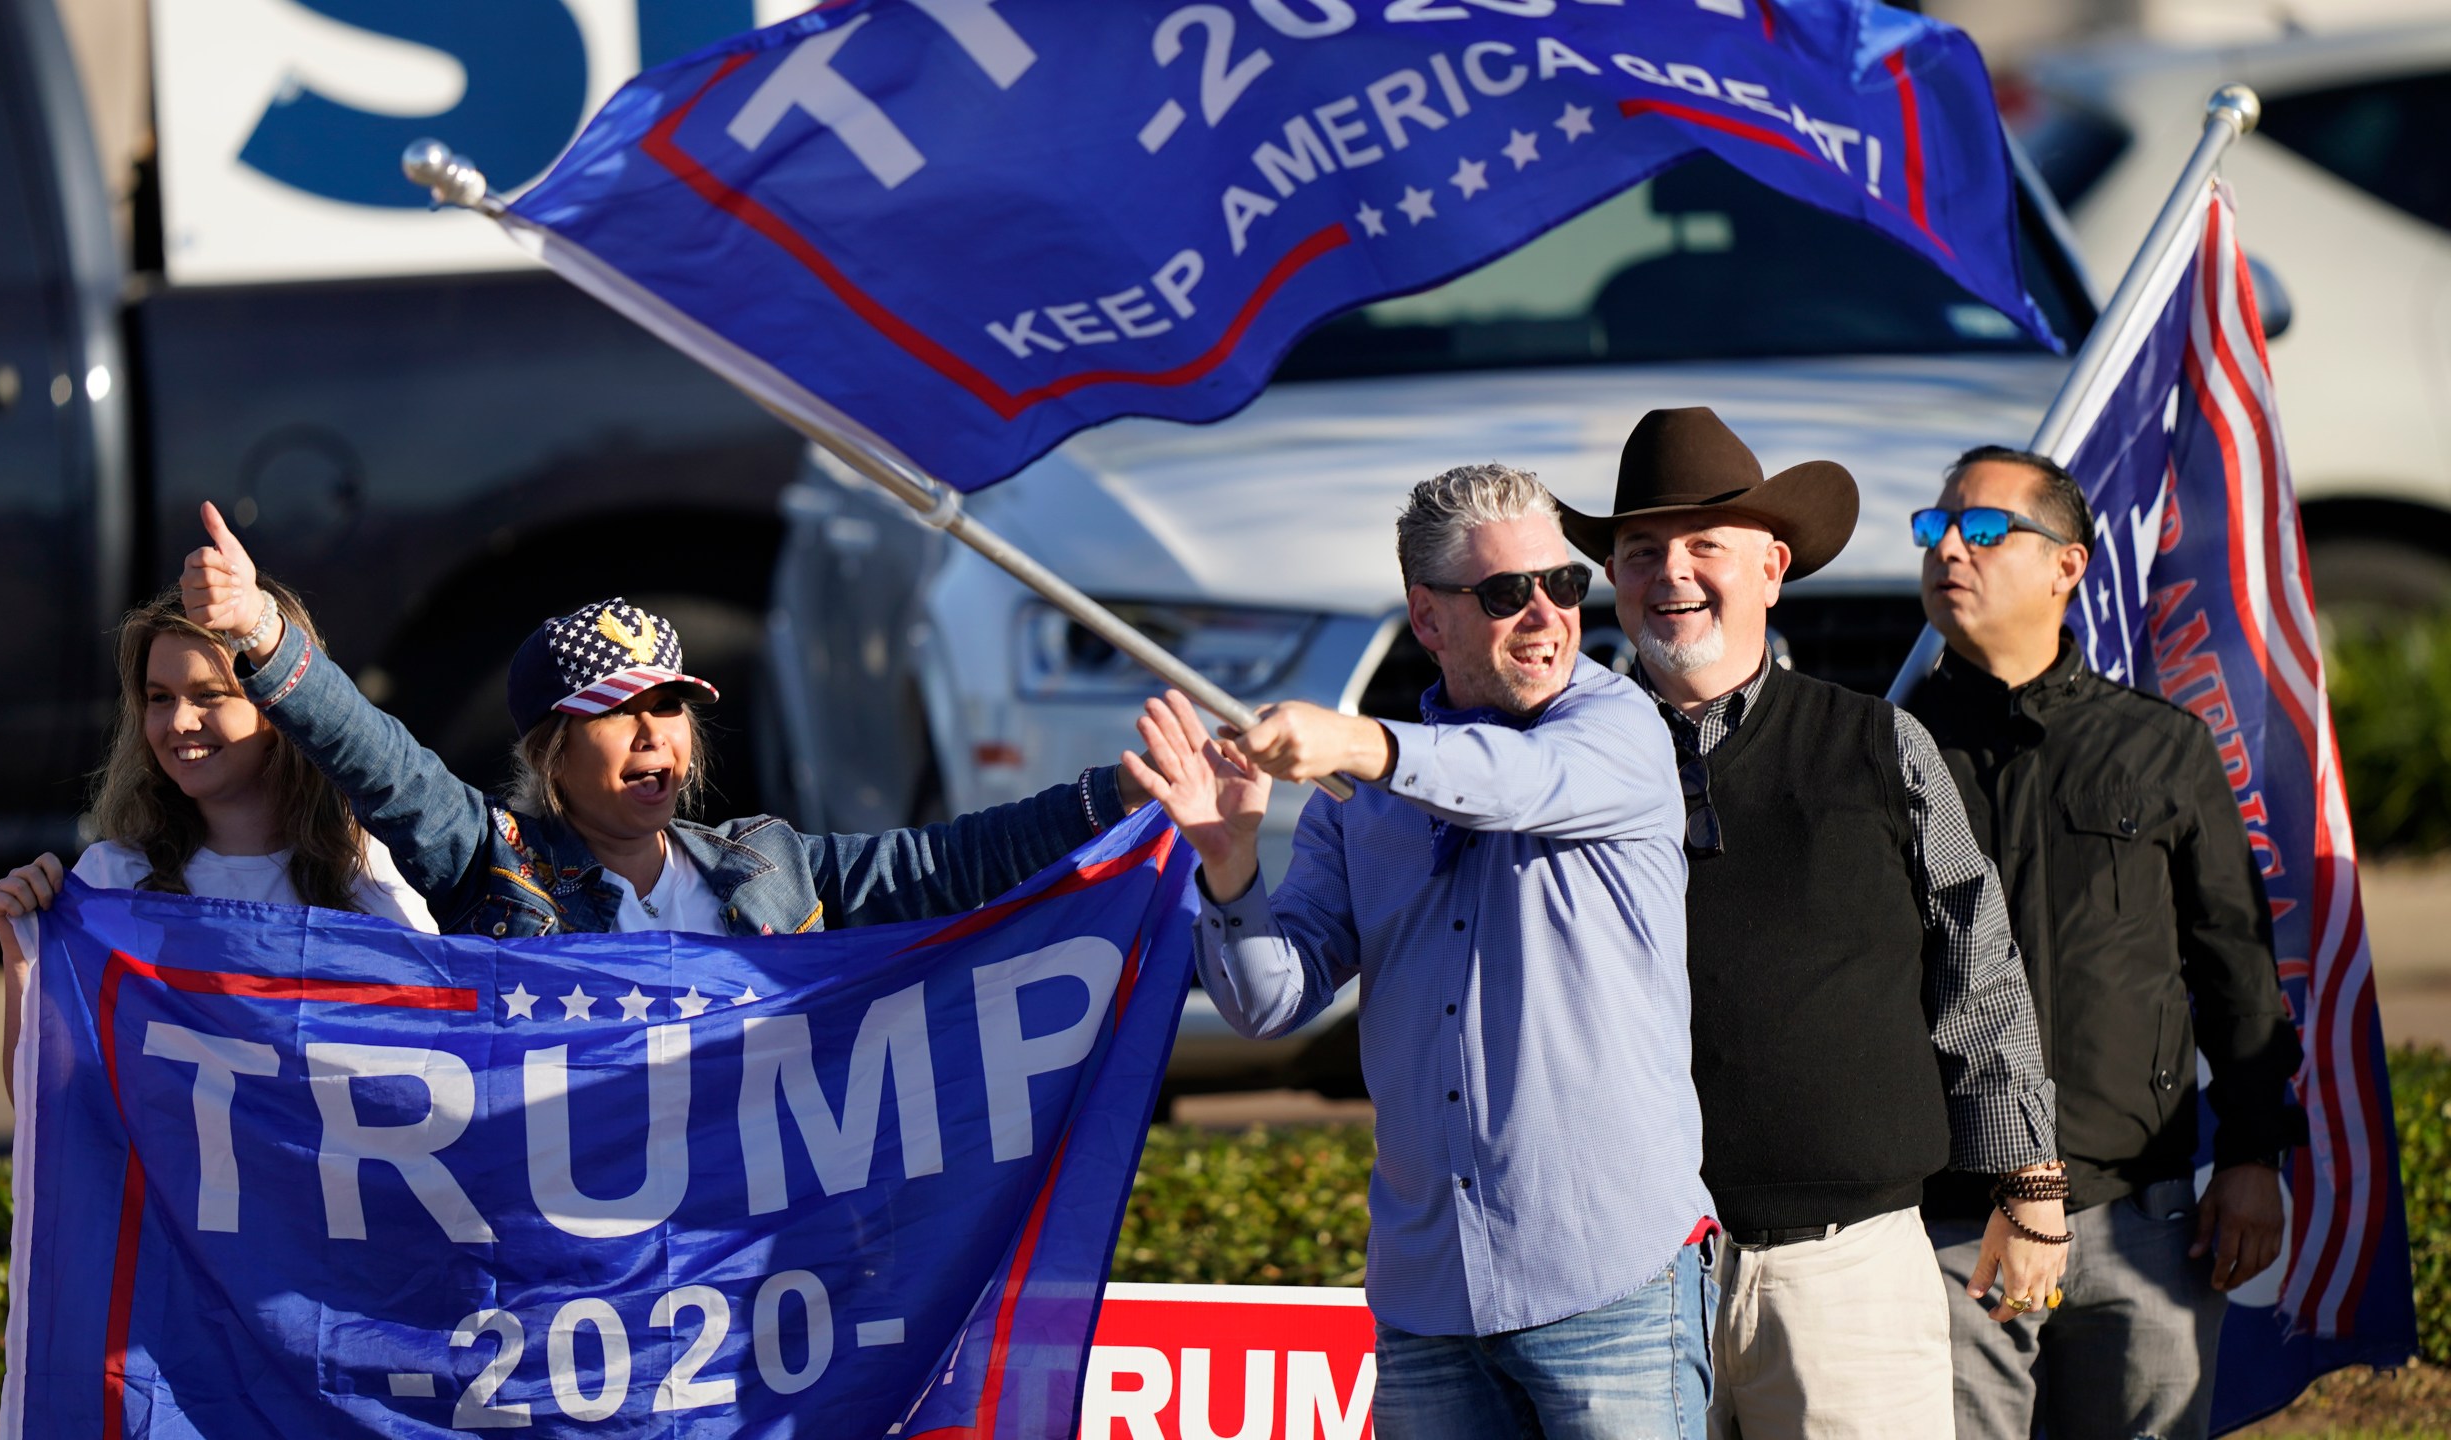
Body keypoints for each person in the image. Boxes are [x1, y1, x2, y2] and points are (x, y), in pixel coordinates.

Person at [1127, 463, 1717, 1439]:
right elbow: (1270, 1002)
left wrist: (1353, 744)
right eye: (1503, 594)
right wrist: (1229, 867)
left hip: (1606, 1280)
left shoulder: (1616, 729)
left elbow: (1512, 783)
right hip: (1426, 1297)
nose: (1545, 614)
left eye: (1562, 584)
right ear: (1427, 618)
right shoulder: (1356, 797)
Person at [1557, 407, 2068, 1440]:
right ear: (1612, 576)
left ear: (1772, 566)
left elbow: (1977, 967)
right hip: (1626, 1279)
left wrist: (2029, 1188)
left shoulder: (1881, 742)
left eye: (1705, 546)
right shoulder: (1566, 763)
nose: (1673, 574)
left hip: (1852, 1269)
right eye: (1642, 551)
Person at [178, 503, 1141, 938]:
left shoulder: (777, 868)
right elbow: (377, 757)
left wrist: (1120, 795)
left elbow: (948, 867)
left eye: (671, 708)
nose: (655, 736)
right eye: (617, 714)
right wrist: (259, 628)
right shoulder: (491, 862)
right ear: (551, 753)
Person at [1903, 446, 2301, 1440]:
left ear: (2066, 567)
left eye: (1985, 530)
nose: (1950, 547)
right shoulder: (1882, 751)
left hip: (2140, 1222)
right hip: (1952, 1225)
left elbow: (2235, 968)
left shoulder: (2160, 747)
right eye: (1935, 527)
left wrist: (2253, 1155)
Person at [0, 582, 435, 1096]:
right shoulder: (110, 880)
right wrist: (21, 961)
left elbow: (431, 1063)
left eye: (208, 695)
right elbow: (49, 1106)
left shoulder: (365, 870)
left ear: (282, 706)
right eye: (159, 698)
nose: (179, 721)